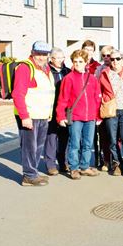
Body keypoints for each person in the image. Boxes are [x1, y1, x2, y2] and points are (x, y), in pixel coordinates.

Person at [13, 41, 56, 186]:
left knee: (38, 146)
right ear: (32, 52)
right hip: (30, 115)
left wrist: (48, 114)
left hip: (42, 115)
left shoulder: (46, 68)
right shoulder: (25, 68)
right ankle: (29, 176)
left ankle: (33, 173)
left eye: (45, 54)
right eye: (38, 53)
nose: (42, 57)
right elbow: (18, 93)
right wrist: (24, 116)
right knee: (29, 147)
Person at [56, 49, 101, 180]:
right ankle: (74, 168)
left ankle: (85, 166)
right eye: (75, 61)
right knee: (74, 143)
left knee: (88, 144)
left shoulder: (92, 79)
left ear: (86, 62)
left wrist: (97, 116)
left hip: (90, 117)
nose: (77, 64)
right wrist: (60, 116)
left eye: (80, 61)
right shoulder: (68, 78)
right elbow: (62, 99)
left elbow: (96, 98)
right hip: (75, 117)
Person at [100, 50, 123, 178]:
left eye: (118, 59)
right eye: (112, 59)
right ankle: (117, 165)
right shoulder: (105, 73)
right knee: (112, 139)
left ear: (122, 59)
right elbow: (100, 91)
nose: (115, 61)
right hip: (111, 111)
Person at [44, 47, 71, 175]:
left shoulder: (68, 71)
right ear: (51, 59)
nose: (60, 60)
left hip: (65, 110)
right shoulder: (46, 71)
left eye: (62, 58)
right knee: (51, 138)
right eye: (57, 58)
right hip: (50, 109)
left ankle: (63, 162)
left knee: (64, 138)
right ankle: (50, 165)